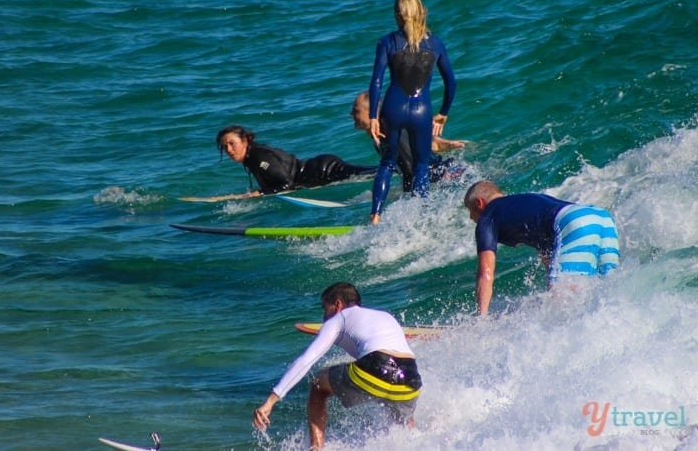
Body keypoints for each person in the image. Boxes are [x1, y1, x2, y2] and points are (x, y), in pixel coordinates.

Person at [252, 282, 422, 449]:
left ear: (337, 304)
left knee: (318, 384)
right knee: (403, 422)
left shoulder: (340, 318)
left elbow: (307, 359)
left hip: (376, 367)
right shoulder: (385, 316)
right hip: (410, 378)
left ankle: (316, 448)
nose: (324, 317)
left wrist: (271, 401)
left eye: (325, 309)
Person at [463, 180, 621, 316]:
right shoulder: (523, 204)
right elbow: (550, 253)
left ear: (479, 203)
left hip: (573, 222)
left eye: (470, 211)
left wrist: (481, 320)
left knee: (561, 304)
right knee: (610, 288)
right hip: (602, 218)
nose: (471, 218)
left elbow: (485, 273)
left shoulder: (488, 217)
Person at [368, 0, 457, 224]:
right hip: (421, 111)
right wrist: (443, 113)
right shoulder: (435, 43)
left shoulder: (387, 42)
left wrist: (372, 117)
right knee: (421, 166)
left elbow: (376, 80)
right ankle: (421, 220)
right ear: (422, 12)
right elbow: (451, 82)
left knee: (387, 164)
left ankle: (375, 216)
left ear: (397, 16)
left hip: (392, 109)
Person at [216, 125, 377, 198]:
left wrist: (259, 193)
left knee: (371, 173)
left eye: (232, 143)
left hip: (323, 171)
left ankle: (397, 168)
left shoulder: (258, 157)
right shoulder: (253, 157)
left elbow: (287, 184)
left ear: (244, 141)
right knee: (371, 172)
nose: (229, 150)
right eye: (225, 146)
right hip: (318, 169)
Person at [351, 90, 466, 192]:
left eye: (356, 111)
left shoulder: (391, 128)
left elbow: (426, 145)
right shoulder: (379, 134)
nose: (351, 115)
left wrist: (447, 144)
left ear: (371, 112)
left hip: (444, 177)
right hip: (434, 179)